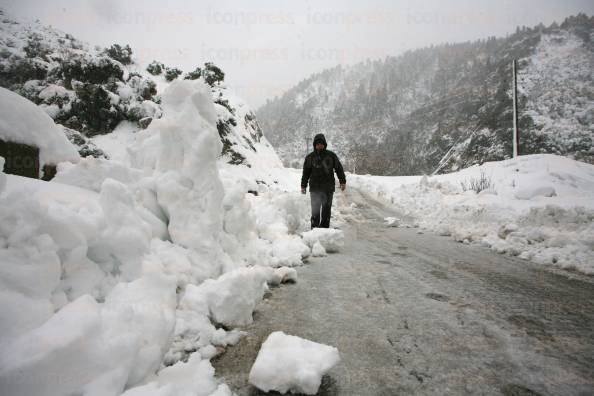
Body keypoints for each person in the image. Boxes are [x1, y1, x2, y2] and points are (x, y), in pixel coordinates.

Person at [301, 133, 346, 229]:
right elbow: (306, 173)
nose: (319, 145)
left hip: (328, 188)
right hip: (315, 189)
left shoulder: (331, 156)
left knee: (326, 210)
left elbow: (339, 169)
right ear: (314, 145)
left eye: (321, 143)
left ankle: (325, 230)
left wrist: (342, 181)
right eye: (317, 143)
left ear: (324, 144)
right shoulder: (310, 157)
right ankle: (314, 229)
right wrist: (303, 185)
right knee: (315, 211)